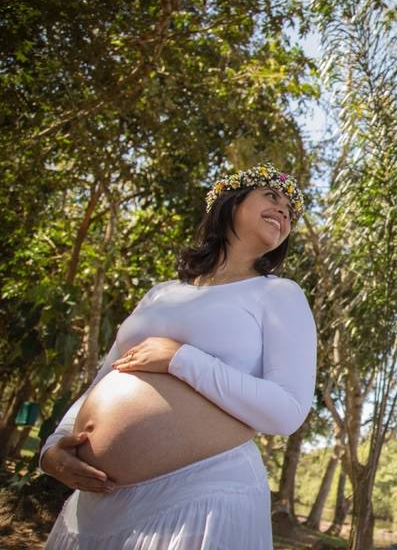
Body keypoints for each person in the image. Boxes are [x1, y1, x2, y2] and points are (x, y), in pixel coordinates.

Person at [39, 163, 317, 549]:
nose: (284, 209)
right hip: (98, 505)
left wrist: (180, 359)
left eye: (290, 208)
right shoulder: (161, 293)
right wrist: (54, 448)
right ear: (229, 202)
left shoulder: (280, 295)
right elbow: (105, 379)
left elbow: (287, 410)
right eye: (272, 195)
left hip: (201, 499)